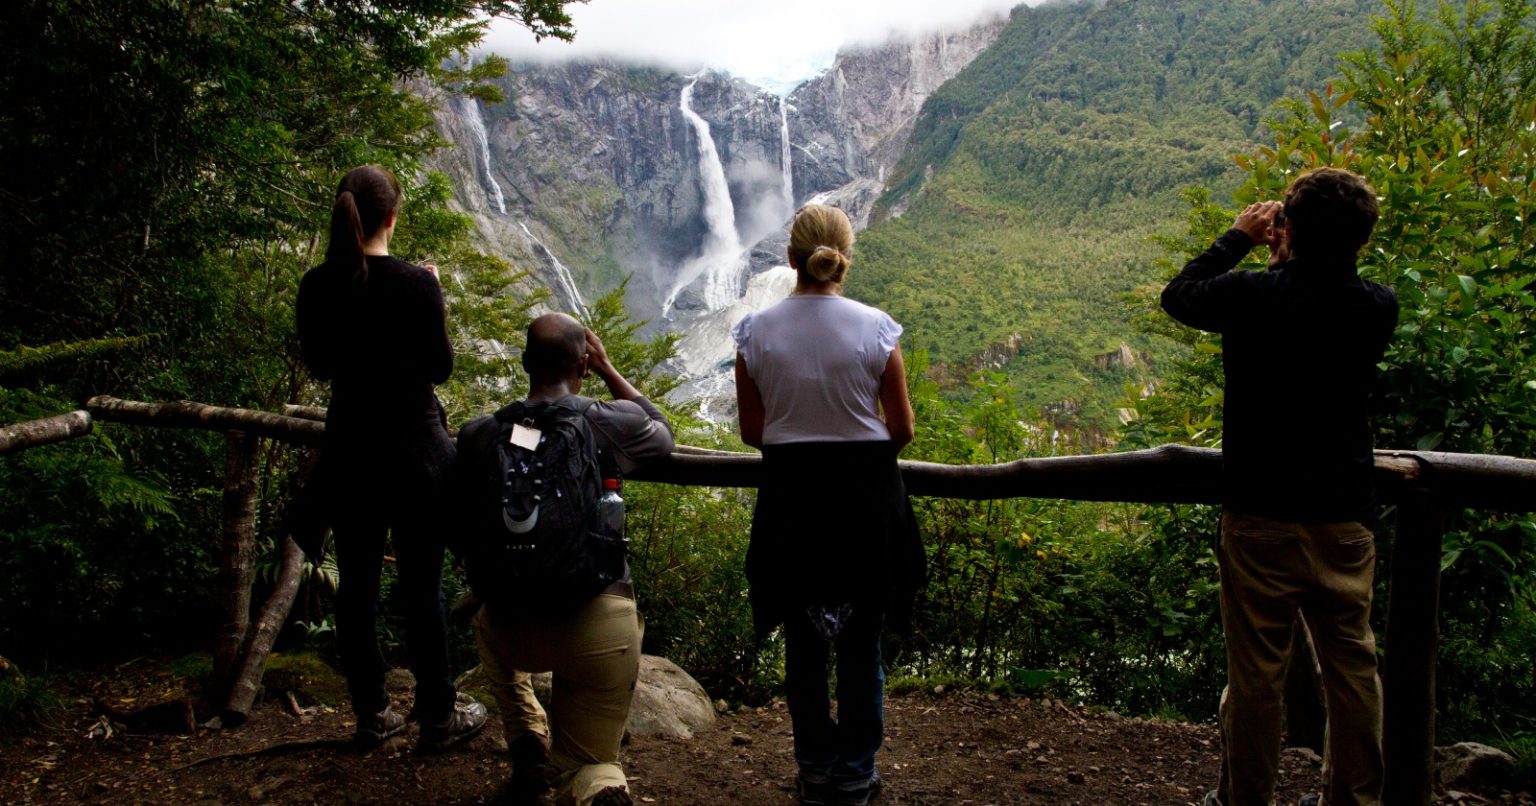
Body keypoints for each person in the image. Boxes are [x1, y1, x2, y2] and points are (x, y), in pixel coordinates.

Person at [1160, 167, 1398, 806]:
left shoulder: (1252, 295)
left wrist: (1239, 238)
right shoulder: (1378, 306)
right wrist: (1287, 253)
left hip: (1260, 513)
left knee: (1257, 673)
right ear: (1361, 239)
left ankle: (1247, 798)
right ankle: (1355, 797)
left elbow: (1179, 295)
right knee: (1353, 668)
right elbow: (1316, 296)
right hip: (1346, 517)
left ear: (1287, 227)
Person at [733, 203, 924, 806]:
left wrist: (801, 433)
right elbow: (902, 429)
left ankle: (815, 768)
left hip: (792, 499)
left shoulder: (754, 332)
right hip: (866, 501)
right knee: (862, 645)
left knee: (805, 646)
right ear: (845, 259)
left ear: (791, 258)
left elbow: (752, 431)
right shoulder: (876, 329)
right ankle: (855, 773)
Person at [296, 164, 487, 751]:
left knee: (356, 589)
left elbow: (323, 367)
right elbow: (440, 368)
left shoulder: (317, 285)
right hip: (415, 457)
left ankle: (372, 714)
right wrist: (433, 296)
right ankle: (437, 715)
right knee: (424, 588)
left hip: (350, 454)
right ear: (392, 215)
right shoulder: (415, 284)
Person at [456, 313, 674, 806]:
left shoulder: (479, 435)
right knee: (593, 761)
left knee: (483, 619)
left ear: (525, 362)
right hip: (598, 627)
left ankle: (528, 741)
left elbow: (465, 528)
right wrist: (610, 369)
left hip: (513, 629)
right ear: (583, 365)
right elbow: (663, 431)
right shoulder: (605, 420)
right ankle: (596, 783)